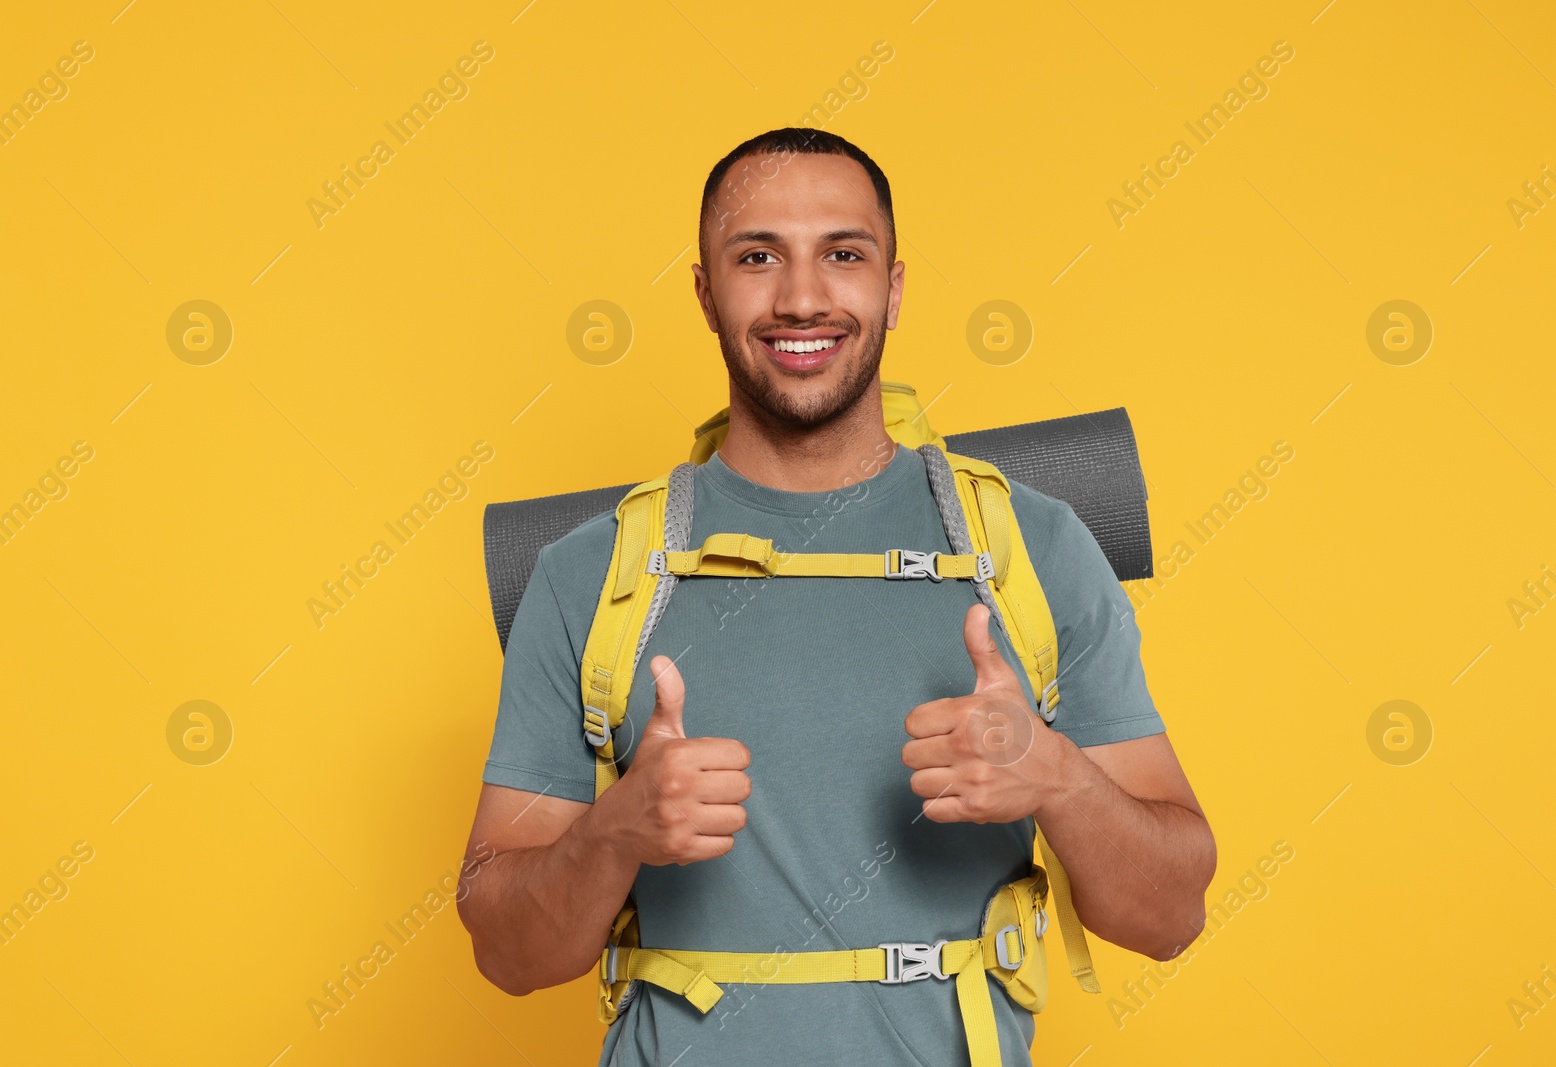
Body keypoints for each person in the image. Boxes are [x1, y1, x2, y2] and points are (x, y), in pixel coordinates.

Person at [457, 127, 1217, 1066]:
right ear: (704, 291)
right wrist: (611, 835)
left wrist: (1054, 775)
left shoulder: (1035, 545)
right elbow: (508, 953)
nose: (803, 297)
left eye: (844, 255)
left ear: (894, 286)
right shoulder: (586, 573)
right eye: (757, 256)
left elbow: (1172, 915)